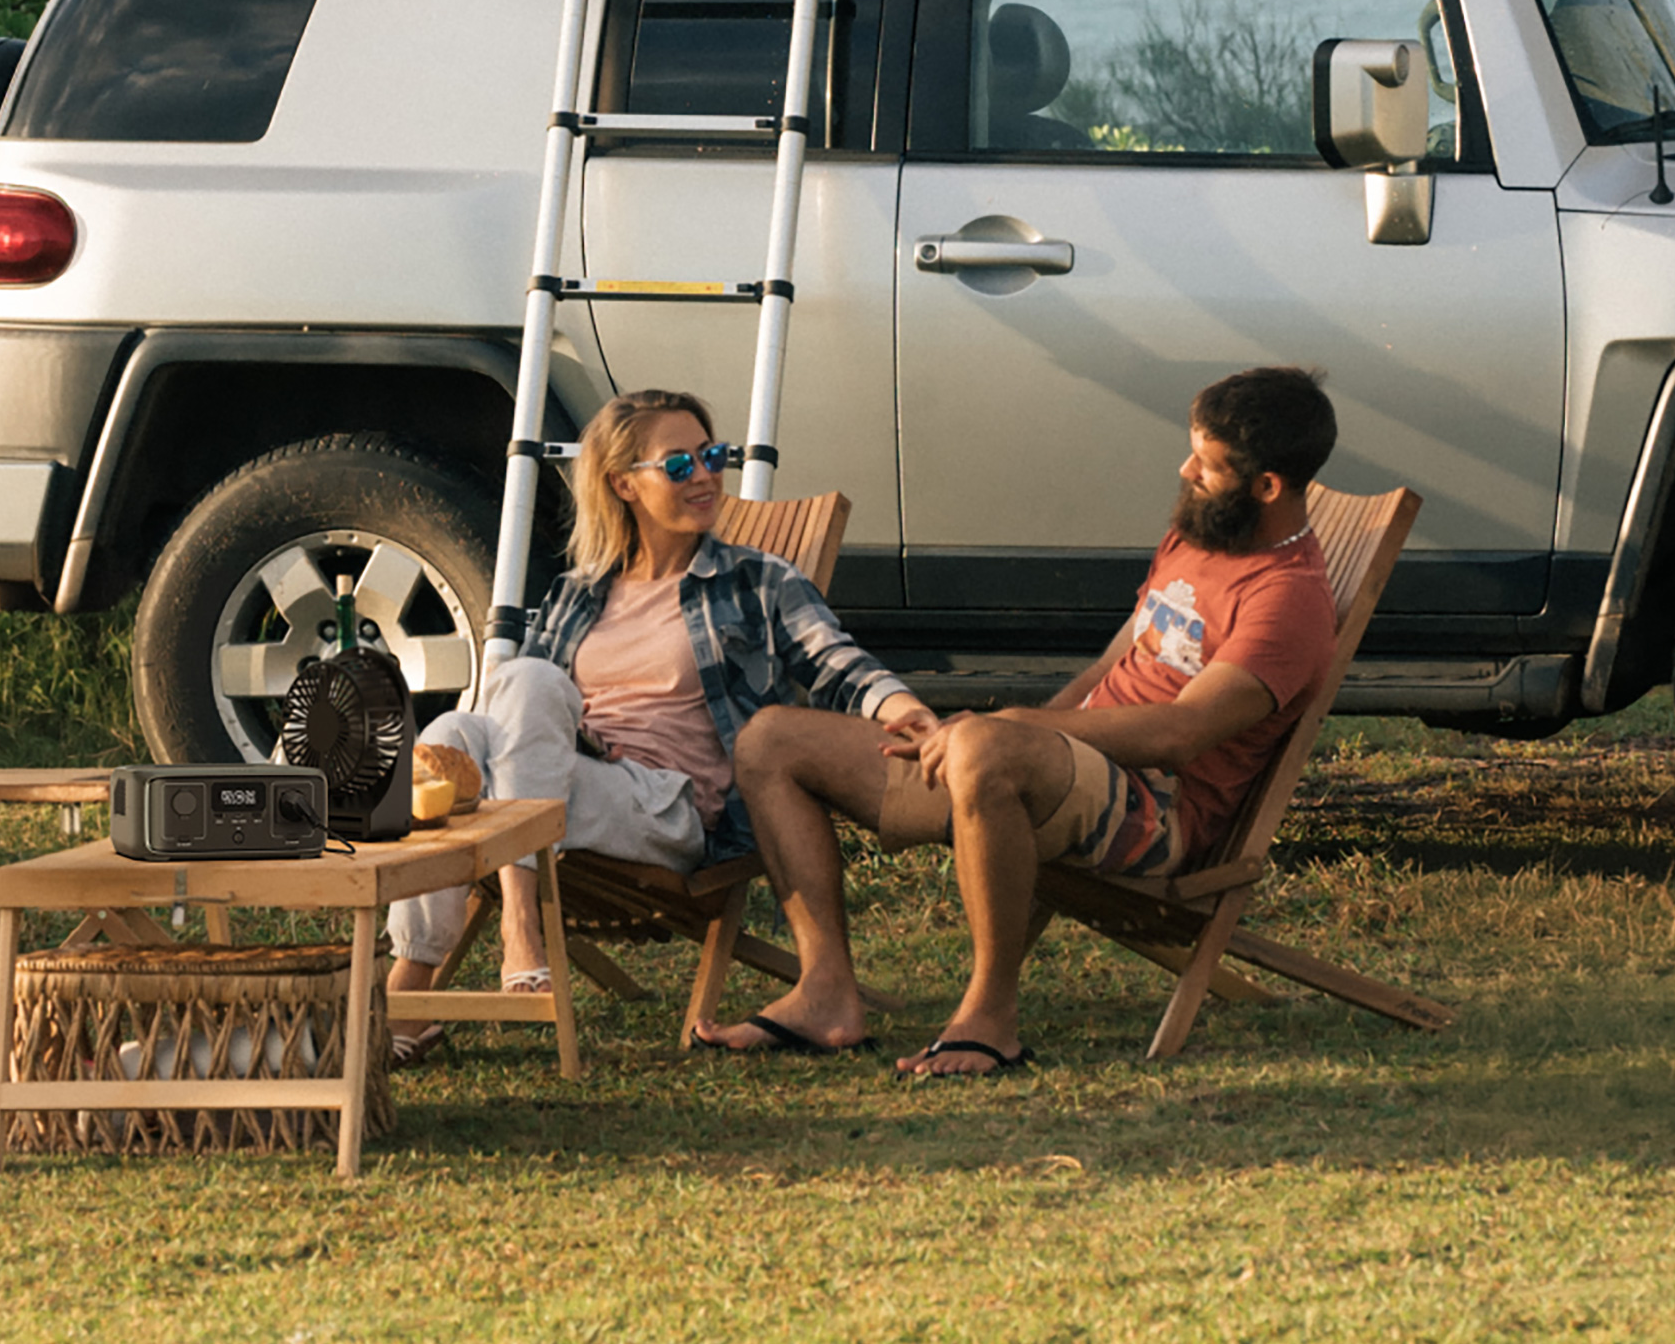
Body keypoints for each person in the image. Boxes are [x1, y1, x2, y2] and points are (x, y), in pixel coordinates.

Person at [725, 365, 1343, 1078]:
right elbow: (1119, 657)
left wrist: (1010, 731)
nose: (1186, 470)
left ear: (1268, 485)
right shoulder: (1203, 533)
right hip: (1054, 770)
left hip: (1157, 809)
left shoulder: (1288, 600)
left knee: (988, 745)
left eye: (1207, 464)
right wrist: (1023, 734)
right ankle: (826, 993)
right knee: (772, 738)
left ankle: (989, 1018)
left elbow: (1183, 730)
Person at [384, 386, 937, 1060]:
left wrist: (906, 711)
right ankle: (414, 996)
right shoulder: (576, 592)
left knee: (520, 691)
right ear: (624, 484)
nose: (705, 475)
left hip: (670, 807)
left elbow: (836, 663)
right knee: (452, 737)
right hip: (569, 785)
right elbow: (517, 722)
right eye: (679, 465)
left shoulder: (755, 581)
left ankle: (511, 938)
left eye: (712, 456)